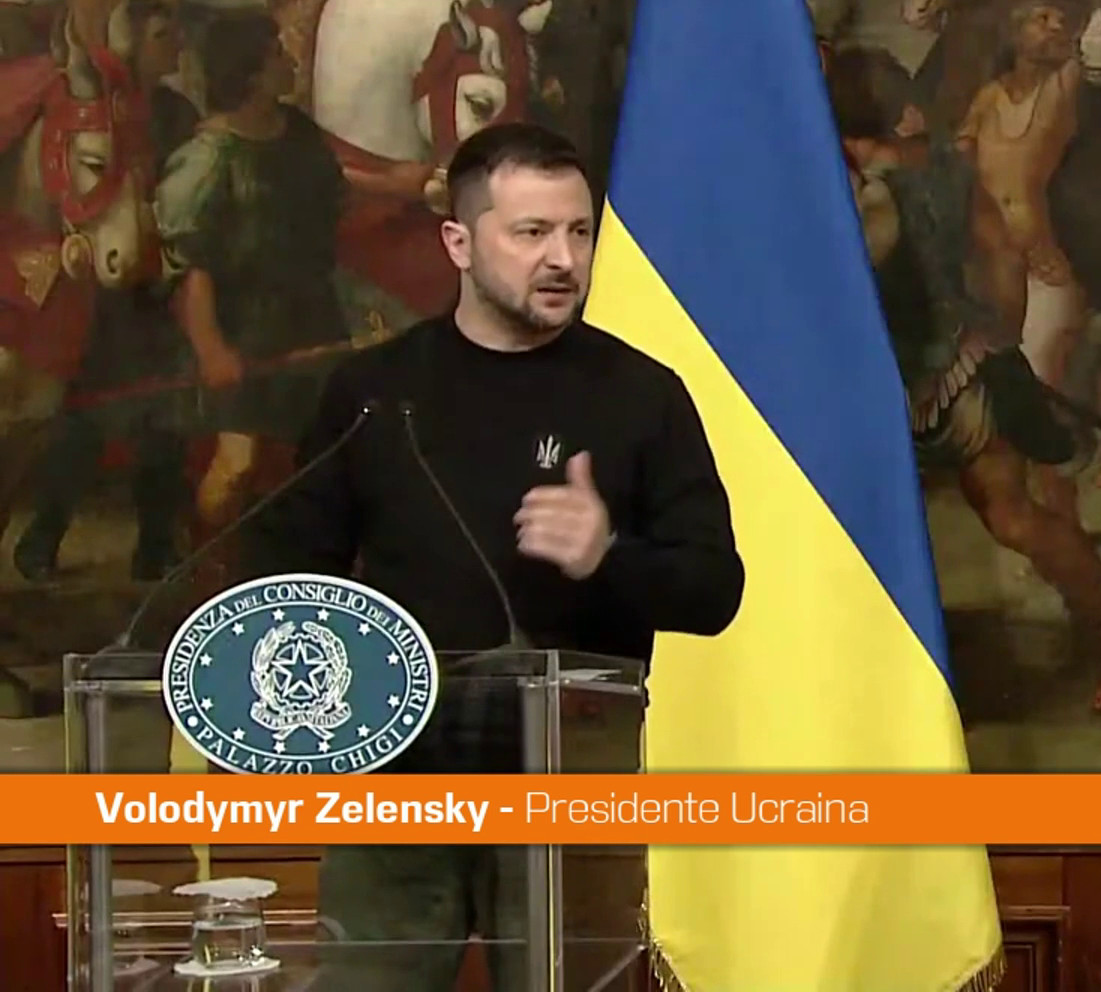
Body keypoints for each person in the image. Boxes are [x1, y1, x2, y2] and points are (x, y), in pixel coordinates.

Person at [250, 121, 745, 990]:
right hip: (395, 771)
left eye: (579, 232)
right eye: (532, 232)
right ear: (459, 243)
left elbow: (715, 590)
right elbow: (289, 576)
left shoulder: (642, 395)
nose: (563, 258)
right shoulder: (373, 393)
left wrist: (608, 555)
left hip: (570, 768)